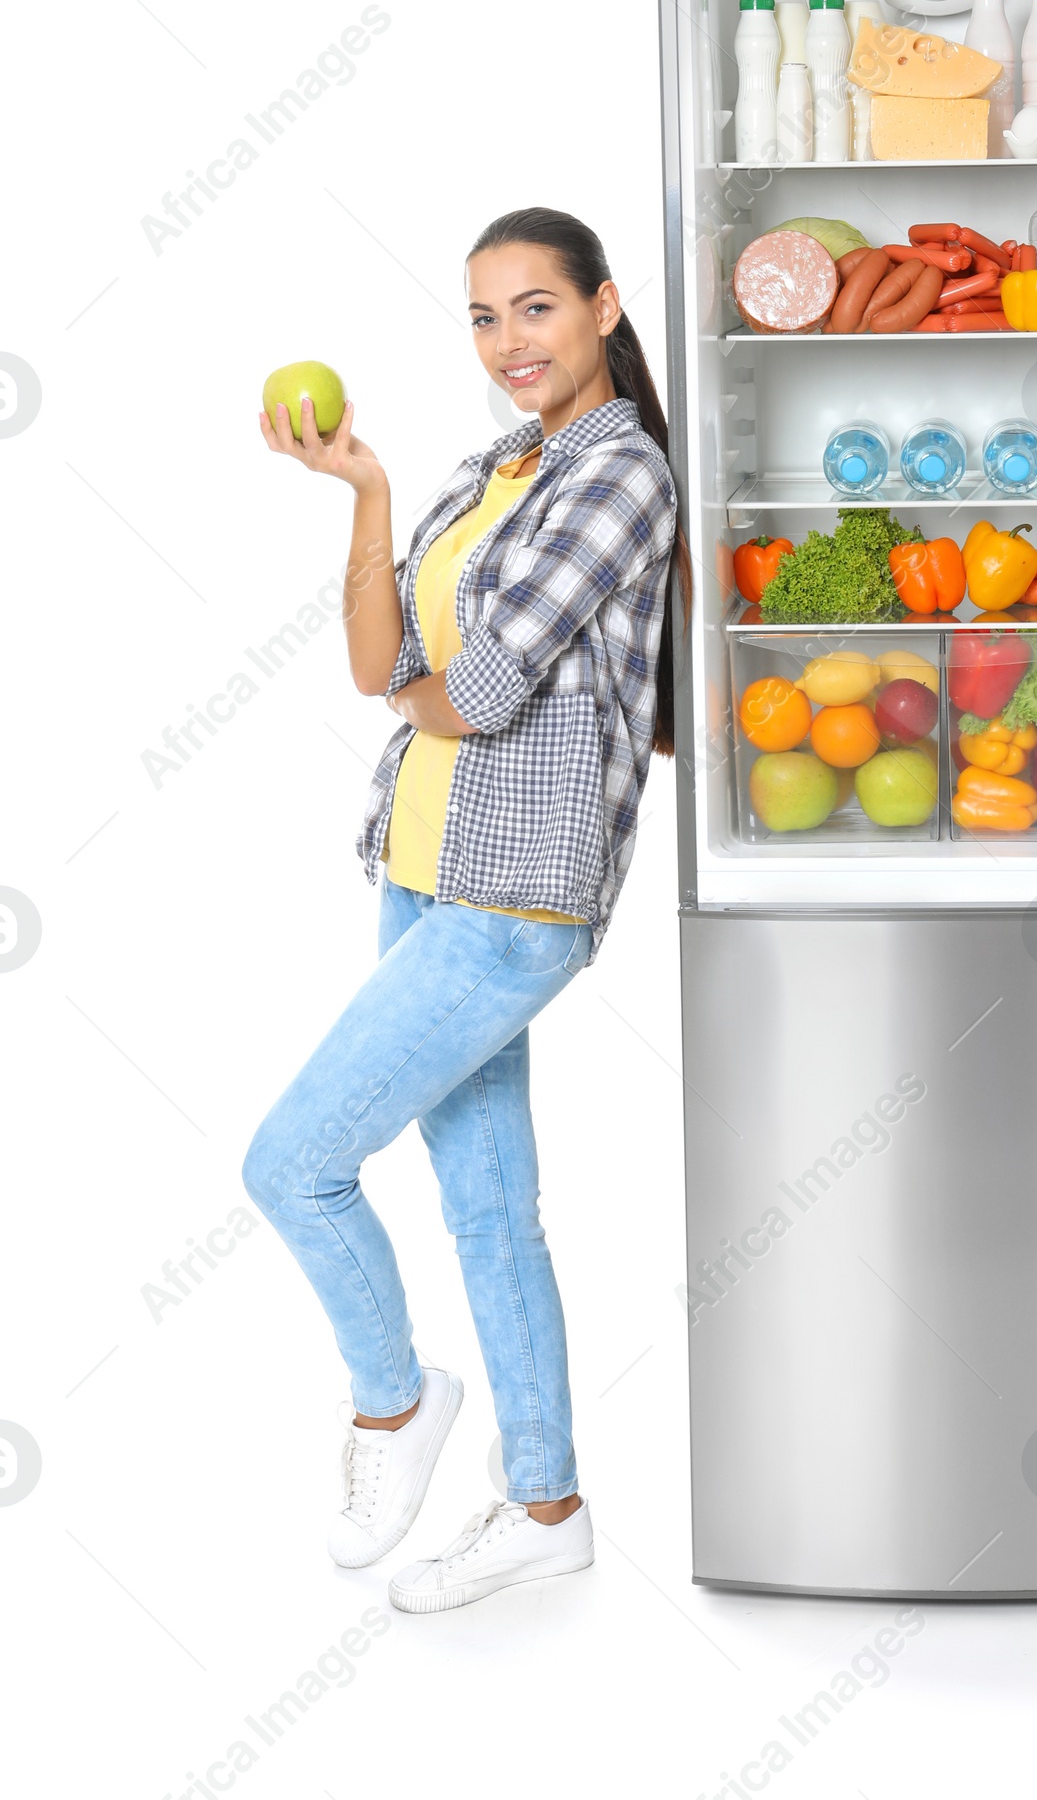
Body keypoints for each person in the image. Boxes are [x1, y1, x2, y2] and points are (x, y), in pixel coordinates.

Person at [243, 206, 685, 1615]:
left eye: (537, 309)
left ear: (604, 307)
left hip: (519, 890)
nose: (510, 343)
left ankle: (395, 1400)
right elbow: (387, 663)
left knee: (293, 1162)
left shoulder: (623, 475)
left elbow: (476, 692)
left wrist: (435, 686)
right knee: (491, 1211)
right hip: (428, 868)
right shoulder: (494, 464)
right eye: (486, 317)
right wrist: (370, 494)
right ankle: (546, 1502)